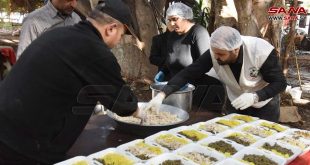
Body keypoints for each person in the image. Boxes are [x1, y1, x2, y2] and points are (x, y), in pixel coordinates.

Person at [0, 0, 142, 164]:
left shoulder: (58, 34)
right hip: (24, 146)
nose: (119, 41)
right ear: (111, 29)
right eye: (122, 35)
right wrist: (140, 112)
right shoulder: (95, 51)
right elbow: (124, 104)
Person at [145, 26, 286, 122]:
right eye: (214, 52)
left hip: (265, 103)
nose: (216, 57)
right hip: (236, 100)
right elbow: (188, 73)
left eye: (220, 54)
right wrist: (162, 95)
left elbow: (280, 83)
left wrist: (256, 96)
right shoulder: (215, 52)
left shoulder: (260, 51)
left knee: (264, 140)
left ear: (235, 50)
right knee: (235, 138)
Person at [152, 2, 222, 107]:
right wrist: (163, 70)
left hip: (198, 90)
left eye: (175, 19)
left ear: (186, 18)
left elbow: (204, 66)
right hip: (176, 87)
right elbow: (171, 59)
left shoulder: (198, 33)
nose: (171, 24)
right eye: (169, 20)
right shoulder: (172, 36)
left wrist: (186, 81)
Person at [16, 0, 81, 59]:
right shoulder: (32, 21)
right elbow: (23, 60)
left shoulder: (77, 19)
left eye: (77, 0)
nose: (74, 5)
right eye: (69, 0)